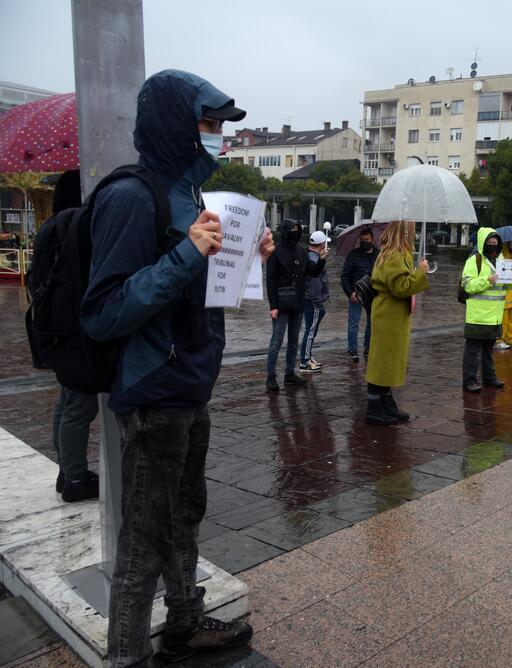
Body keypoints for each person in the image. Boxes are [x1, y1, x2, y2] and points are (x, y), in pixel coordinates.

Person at [80, 70, 274, 666]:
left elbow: (199, 292)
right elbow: (103, 312)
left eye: (219, 125)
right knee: (144, 539)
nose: (217, 135)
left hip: (191, 383)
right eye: (208, 123)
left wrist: (245, 259)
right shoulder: (130, 198)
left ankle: (186, 621)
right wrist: (189, 252)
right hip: (153, 392)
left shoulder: (193, 197)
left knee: (186, 514)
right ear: (174, 125)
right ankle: (128, 656)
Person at [48, 169, 100, 502]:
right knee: (80, 406)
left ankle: (66, 470)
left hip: (56, 329)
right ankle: (75, 479)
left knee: (66, 401)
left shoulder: (52, 226)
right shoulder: (74, 226)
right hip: (76, 331)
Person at [364, 221, 429, 424]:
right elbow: (401, 287)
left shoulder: (393, 253)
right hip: (389, 313)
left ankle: (385, 403)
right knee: (383, 360)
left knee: (388, 359)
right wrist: (420, 271)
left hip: (391, 312)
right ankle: (375, 407)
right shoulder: (395, 255)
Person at [265, 219, 327, 391]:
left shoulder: (301, 251)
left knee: (293, 340)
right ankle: (271, 376)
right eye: (292, 229)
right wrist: (273, 306)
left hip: (298, 303)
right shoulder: (275, 251)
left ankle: (289, 373)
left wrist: (322, 260)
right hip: (281, 303)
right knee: (276, 341)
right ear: (285, 231)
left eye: (297, 229)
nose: (295, 232)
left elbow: (312, 272)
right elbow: (270, 280)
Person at [463, 228, 508, 390]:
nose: (493, 245)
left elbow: (504, 288)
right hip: (477, 314)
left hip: (495, 315)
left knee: (489, 350)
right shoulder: (474, 260)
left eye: (495, 242)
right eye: (490, 242)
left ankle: (489, 378)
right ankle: (469, 381)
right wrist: (487, 280)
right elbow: (468, 285)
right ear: (483, 243)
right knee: (472, 350)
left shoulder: (501, 260)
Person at [340, 226, 378, 362]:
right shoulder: (353, 255)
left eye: (366, 239)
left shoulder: (379, 255)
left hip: (373, 294)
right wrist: (350, 293)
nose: (364, 242)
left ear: (372, 239)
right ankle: (352, 351)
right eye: (362, 240)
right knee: (353, 323)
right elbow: (344, 276)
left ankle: (368, 348)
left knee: (372, 323)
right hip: (356, 294)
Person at [299, 231, 331, 373]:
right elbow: (315, 283)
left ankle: (308, 356)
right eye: (326, 243)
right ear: (322, 244)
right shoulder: (314, 259)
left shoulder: (309, 256)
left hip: (309, 298)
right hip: (312, 299)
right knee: (310, 330)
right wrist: (318, 300)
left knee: (311, 329)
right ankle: (305, 361)